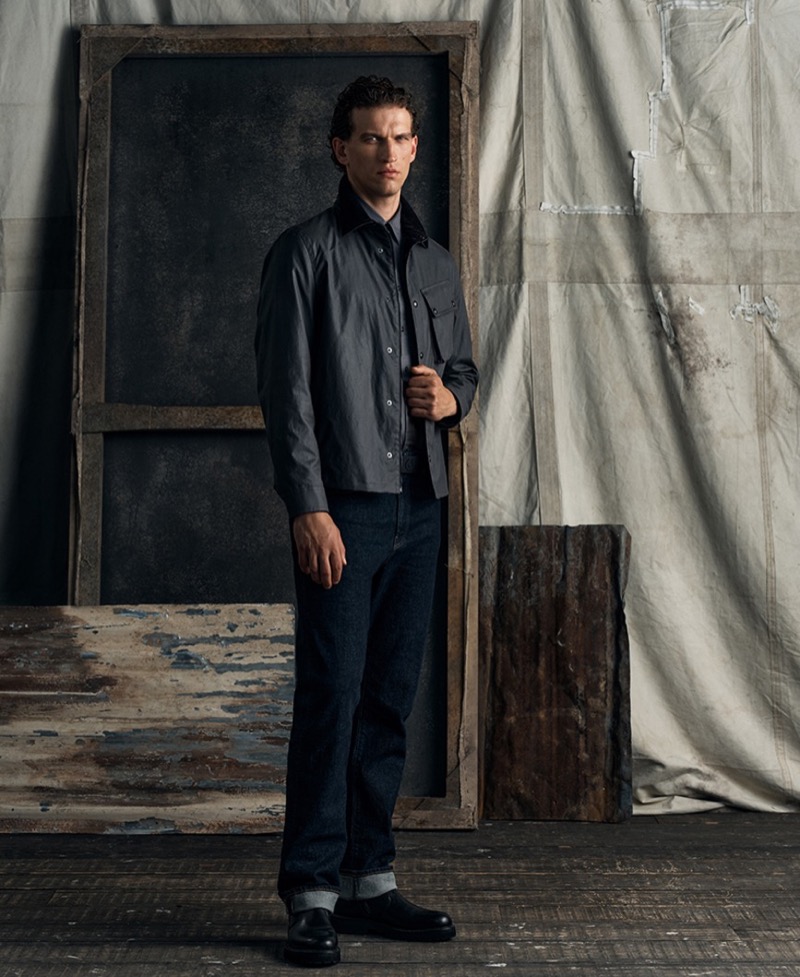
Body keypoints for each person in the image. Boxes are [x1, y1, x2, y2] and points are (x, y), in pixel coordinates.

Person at [254, 75, 478, 968]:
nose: (389, 153)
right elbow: (287, 395)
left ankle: (368, 879)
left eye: (401, 137)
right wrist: (308, 506)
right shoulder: (303, 253)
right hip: (343, 506)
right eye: (371, 138)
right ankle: (311, 891)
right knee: (331, 695)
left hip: (421, 506)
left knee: (388, 697)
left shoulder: (436, 262)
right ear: (339, 149)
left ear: (415, 148)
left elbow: (465, 370)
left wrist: (450, 399)